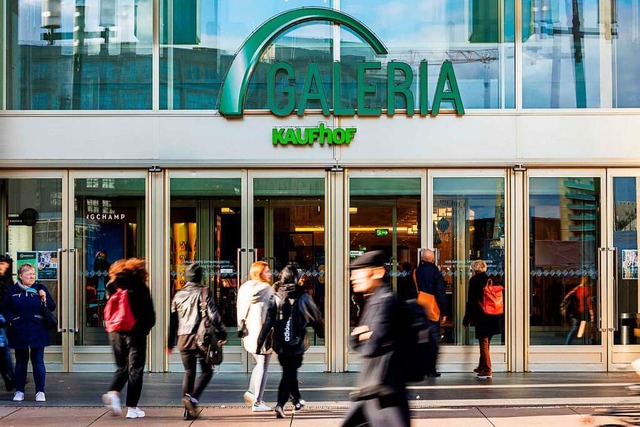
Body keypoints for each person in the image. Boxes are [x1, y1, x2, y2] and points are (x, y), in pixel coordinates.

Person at [342, 250, 411, 427]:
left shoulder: (386, 302)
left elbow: (371, 347)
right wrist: (363, 335)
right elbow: (356, 342)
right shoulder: (373, 300)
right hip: (371, 390)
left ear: (378, 272)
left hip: (385, 394)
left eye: (358, 272)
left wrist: (362, 335)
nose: (353, 277)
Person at [257, 264, 325, 419]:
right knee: (289, 372)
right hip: (297, 342)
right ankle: (280, 404)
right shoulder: (303, 296)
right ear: (296, 278)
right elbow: (315, 317)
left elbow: (268, 321)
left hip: (280, 343)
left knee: (289, 371)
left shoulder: (275, 296)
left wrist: (260, 341)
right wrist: (321, 333)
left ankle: (296, 400)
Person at [168, 263, 227, 420]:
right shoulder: (204, 292)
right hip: (200, 339)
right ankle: (192, 400)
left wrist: (169, 343)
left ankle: (187, 411)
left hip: (183, 339)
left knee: (189, 372)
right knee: (207, 371)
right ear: (200, 276)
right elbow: (213, 315)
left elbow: (173, 321)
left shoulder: (178, 295)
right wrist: (222, 333)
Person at [102, 258, 156, 419]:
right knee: (136, 369)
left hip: (115, 332)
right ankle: (132, 408)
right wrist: (145, 328)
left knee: (122, 366)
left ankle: (113, 392)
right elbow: (150, 314)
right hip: (136, 332)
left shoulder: (111, 286)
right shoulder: (140, 286)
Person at [4, 263, 55, 402]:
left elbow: (52, 306)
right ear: (21, 276)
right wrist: (13, 319)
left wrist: (44, 298)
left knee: (38, 361)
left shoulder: (40, 288)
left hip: (37, 329)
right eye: (28, 274)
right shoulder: (12, 290)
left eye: (33, 274)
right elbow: (5, 308)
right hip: (19, 330)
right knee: (21, 362)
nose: (32, 276)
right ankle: (19, 391)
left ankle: (40, 391)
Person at [236, 260, 274, 412]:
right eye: (267, 271)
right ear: (260, 273)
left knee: (259, 364)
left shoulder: (245, 287)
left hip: (249, 333)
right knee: (263, 366)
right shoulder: (266, 288)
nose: (270, 273)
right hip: (262, 334)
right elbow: (272, 311)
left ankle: (252, 392)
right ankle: (257, 402)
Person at [462, 260, 502, 379]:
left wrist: (466, 320)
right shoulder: (491, 279)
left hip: (482, 316)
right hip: (493, 314)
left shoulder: (474, 281)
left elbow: (471, 302)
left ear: (474, 269)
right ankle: (482, 367)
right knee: (486, 343)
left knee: (483, 343)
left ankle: (487, 369)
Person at [414, 248, 446, 377]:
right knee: (432, 341)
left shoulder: (415, 272)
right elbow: (440, 293)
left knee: (419, 340)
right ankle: (431, 369)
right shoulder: (435, 273)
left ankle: (419, 368)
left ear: (422, 258)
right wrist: (443, 312)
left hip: (417, 311)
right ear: (432, 259)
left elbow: (408, 292)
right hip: (432, 311)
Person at [562, 277, 595, 345]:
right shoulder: (587, 289)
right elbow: (589, 303)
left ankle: (567, 344)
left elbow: (567, 298)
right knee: (588, 330)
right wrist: (592, 314)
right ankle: (590, 344)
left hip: (575, 312)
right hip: (583, 312)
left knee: (574, 328)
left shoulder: (576, 289)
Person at [0, 256, 15, 392]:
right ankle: (10, 377)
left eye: (3, 264)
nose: (1, 267)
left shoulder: (8, 282)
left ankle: (10, 377)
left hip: (3, 320)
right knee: (3, 350)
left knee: (3, 349)